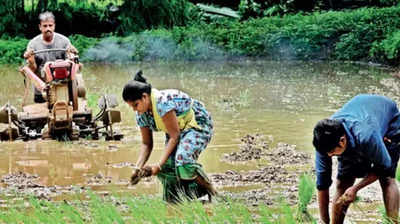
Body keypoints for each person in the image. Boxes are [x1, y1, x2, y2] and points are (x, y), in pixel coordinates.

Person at [123, 71, 217, 203]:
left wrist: (157, 166)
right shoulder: (141, 114)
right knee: (168, 166)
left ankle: (211, 192)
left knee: (182, 159)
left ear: (144, 97)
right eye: (130, 106)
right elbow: (146, 144)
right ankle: (175, 199)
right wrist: (137, 168)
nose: (134, 109)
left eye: (135, 105)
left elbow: (174, 136)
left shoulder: (162, 103)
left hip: (196, 124)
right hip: (176, 129)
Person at [313, 94, 400, 224]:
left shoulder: (367, 136)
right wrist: (323, 221)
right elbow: (322, 185)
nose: (329, 156)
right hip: (360, 114)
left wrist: (356, 188)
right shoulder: (323, 143)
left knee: (387, 179)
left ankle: (392, 222)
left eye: (332, 152)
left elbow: (384, 166)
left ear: (342, 141)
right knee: (343, 182)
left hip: (388, 120)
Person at [23, 11, 79, 103]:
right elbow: (33, 69)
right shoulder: (33, 44)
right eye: (45, 26)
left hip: (63, 87)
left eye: (50, 25)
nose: (48, 28)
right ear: (40, 27)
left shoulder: (64, 41)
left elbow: (71, 65)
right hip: (41, 89)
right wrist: (31, 60)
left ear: (54, 26)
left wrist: (72, 55)